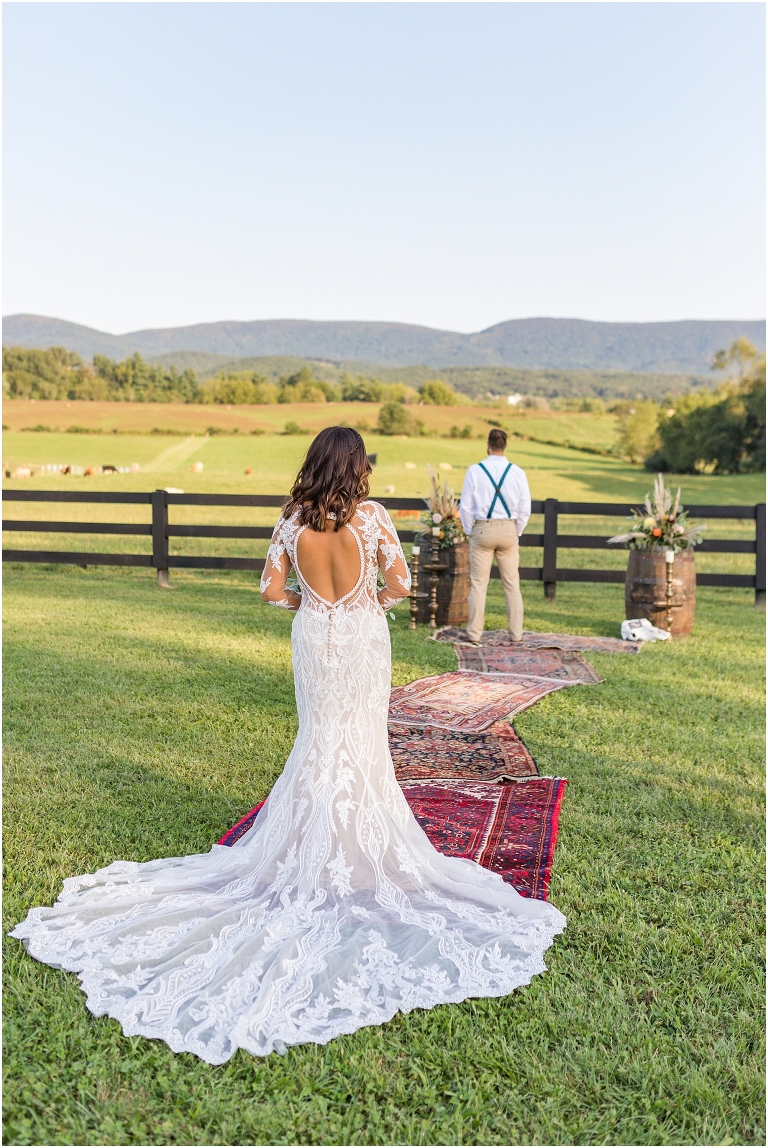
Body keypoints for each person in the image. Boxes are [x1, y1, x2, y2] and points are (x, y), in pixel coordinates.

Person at [10, 427, 563, 1064]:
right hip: (360, 638)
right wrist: (365, 605)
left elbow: (271, 590)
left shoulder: (291, 520)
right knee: (358, 741)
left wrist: (311, 601)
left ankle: (311, 844)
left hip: (314, 639)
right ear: (356, 467)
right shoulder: (375, 517)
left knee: (321, 739)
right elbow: (404, 585)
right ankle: (356, 851)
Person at [459, 428, 531, 644]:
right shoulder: (517, 472)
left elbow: (465, 506)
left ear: (488, 445)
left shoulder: (475, 470)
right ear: (505, 446)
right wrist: (516, 530)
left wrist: (469, 530)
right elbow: (525, 507)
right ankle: (516, 634)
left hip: (483, 528)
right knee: (511, 584)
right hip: (509, 529)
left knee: (479, 584)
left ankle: (474, 633)